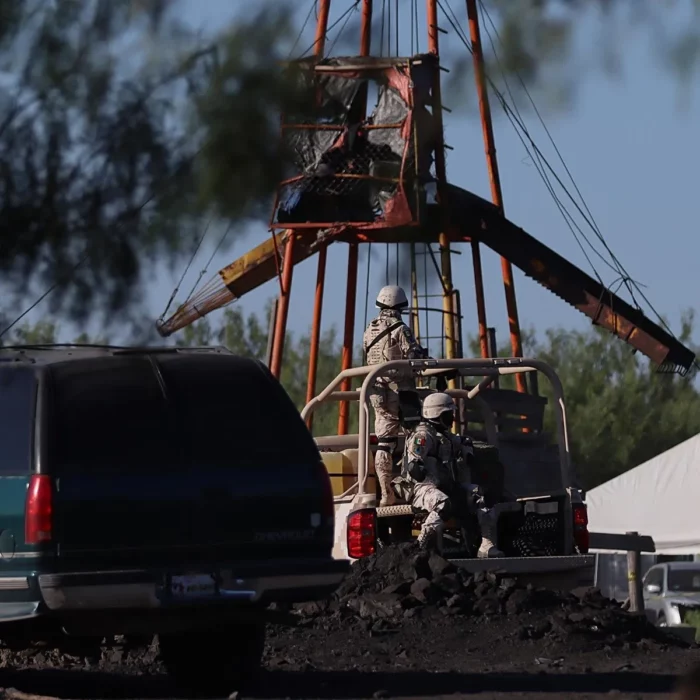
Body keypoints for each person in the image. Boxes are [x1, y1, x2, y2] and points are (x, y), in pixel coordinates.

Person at [401, 392, 504, 558]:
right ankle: (420, 545)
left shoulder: (443, 435)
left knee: (481, 496)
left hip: (446, 486)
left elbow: (463, 443)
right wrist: (423, 469)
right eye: (449, 415)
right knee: (443, 504)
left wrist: (468, 453)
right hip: (422, 488)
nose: (452, 418)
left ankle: (486, 545)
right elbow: (414, 466)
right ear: (437, 415)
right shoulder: (422, 436)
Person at [363, 285, 428, 507]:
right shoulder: (401, 328)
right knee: (418, 436)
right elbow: (414, 355)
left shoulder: (368, 329)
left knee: (385, 443)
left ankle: (386, 494)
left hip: (376, 393)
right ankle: (415, 488)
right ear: (400, 306)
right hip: (401, 393)